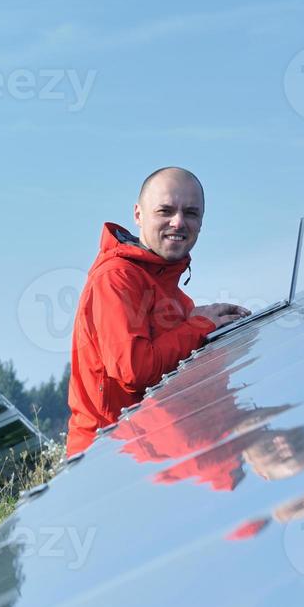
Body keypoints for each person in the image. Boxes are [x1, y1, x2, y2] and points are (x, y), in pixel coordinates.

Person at [65, 167, 248, 457]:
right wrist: (201, 326)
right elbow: (134, 369)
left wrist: (206, 321)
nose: (178, 222)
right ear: (138, 215)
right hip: (107, 455)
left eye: (191, 213)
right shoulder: (116, 278)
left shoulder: (170, 291)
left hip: (144, 449)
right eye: (165, 211)